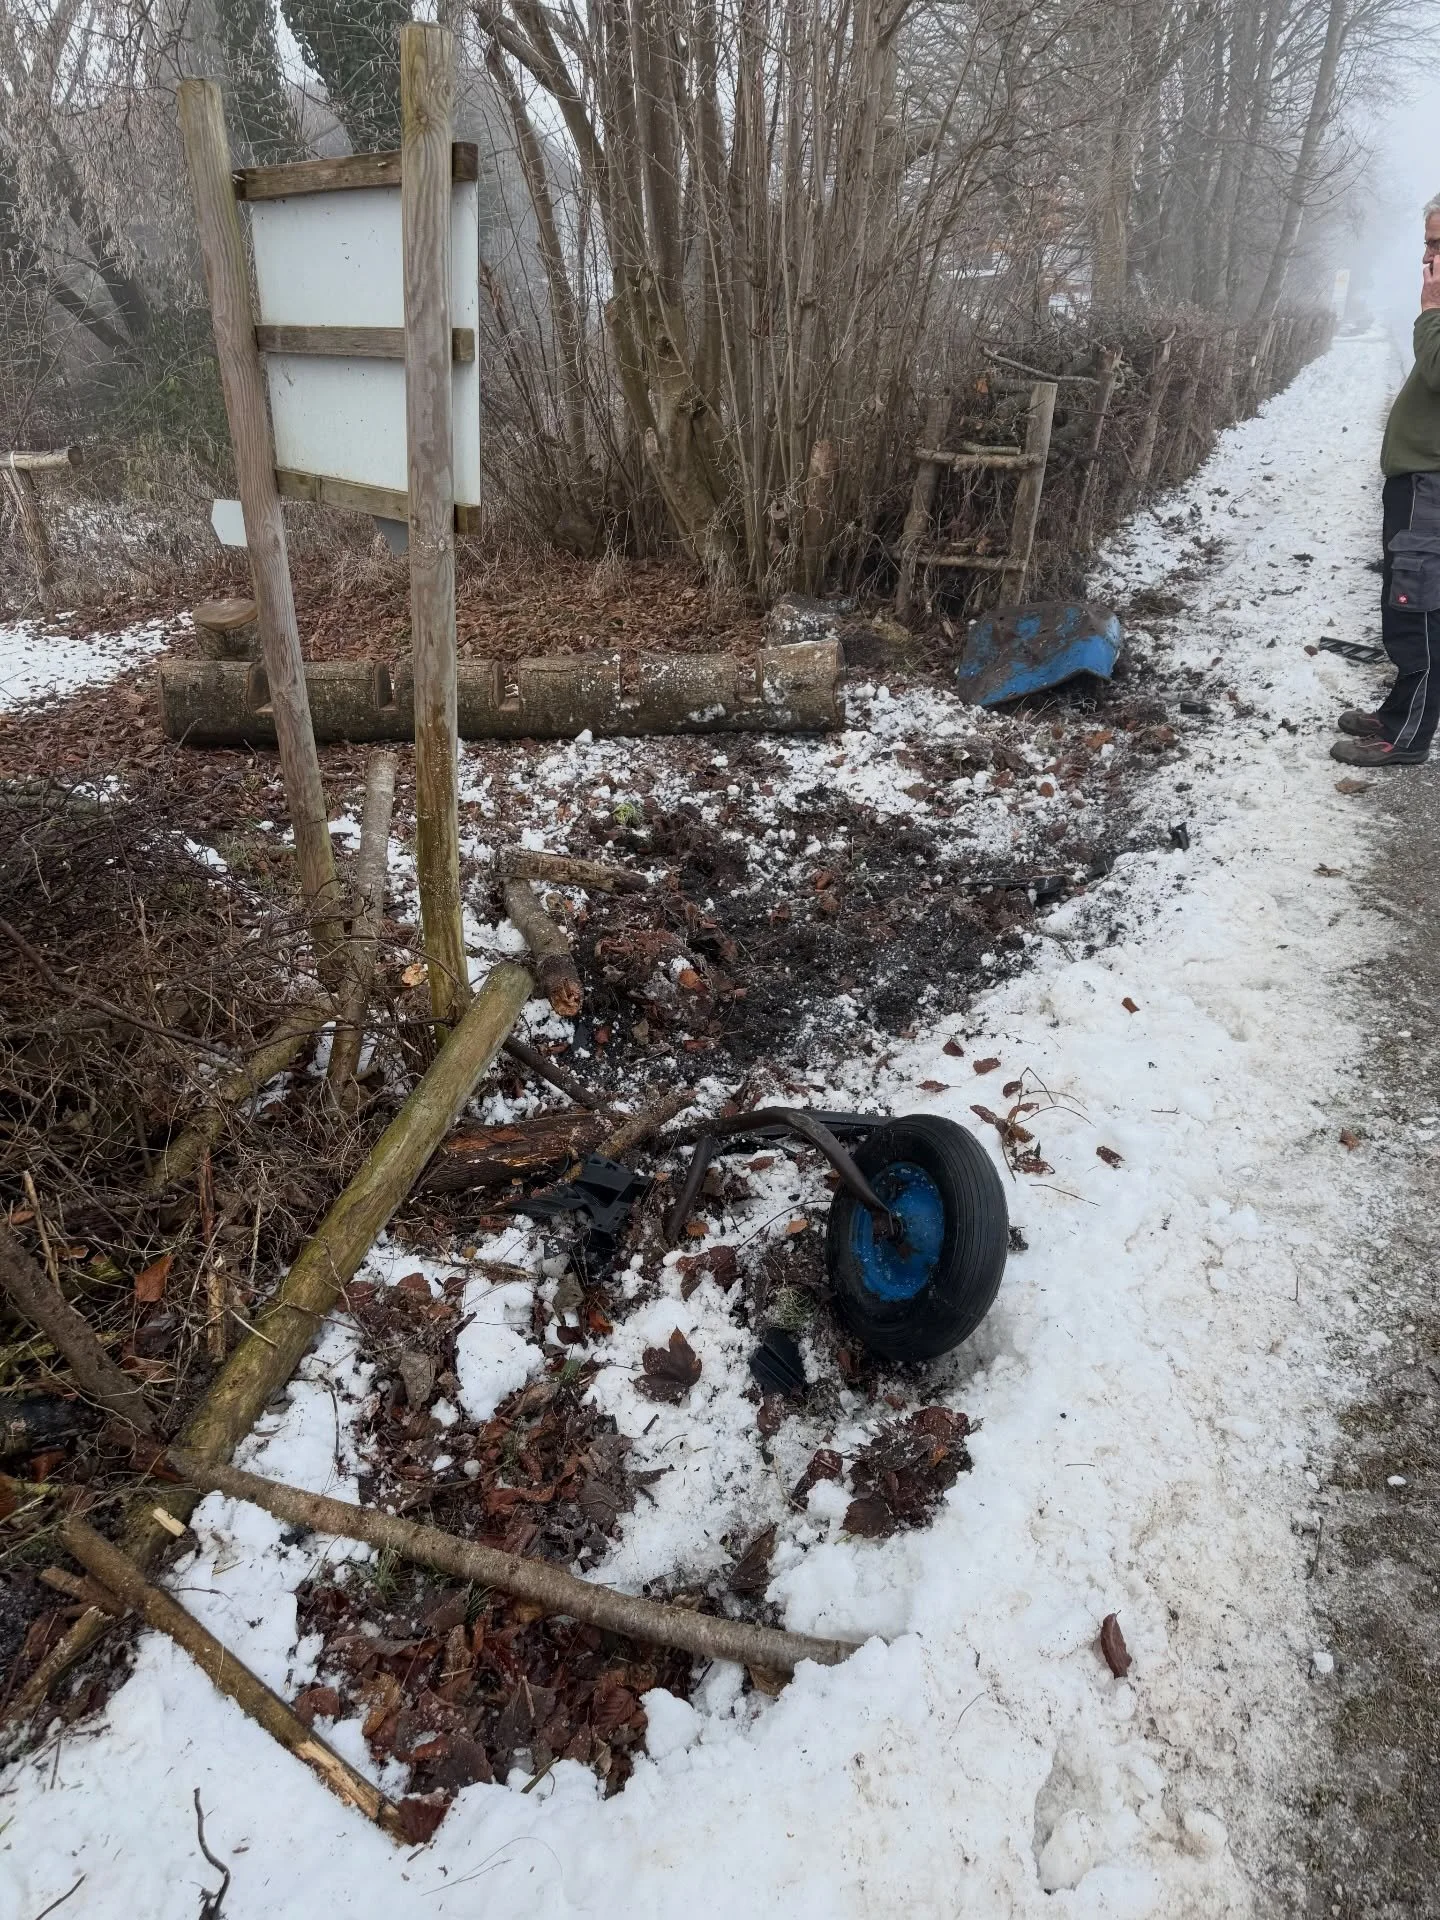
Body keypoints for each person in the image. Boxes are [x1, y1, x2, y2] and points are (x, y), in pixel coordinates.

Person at [1332, 196, 1440, 767]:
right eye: (1427, 241)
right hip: (1419, 482)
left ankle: (1408, 737)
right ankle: (1401, 711)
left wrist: (1430, 312)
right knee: (1407, 606)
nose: (1429, 255)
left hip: (1433, 485)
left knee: (1418, 610)